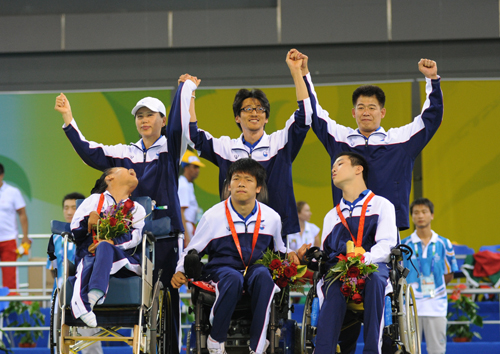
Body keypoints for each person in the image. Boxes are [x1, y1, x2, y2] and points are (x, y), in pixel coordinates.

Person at [54, 79, 196, 354]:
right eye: (139, 116)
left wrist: (185, 90)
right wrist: (68, 119)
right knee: (140, 300)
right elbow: (90, 152)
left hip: (166, 233)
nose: (144, 120)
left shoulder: (172, 146)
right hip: (128, 238)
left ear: (162, 120)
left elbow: (180, 123)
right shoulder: (124, 153)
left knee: (168, 299)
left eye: (150, 115)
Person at [171, 159, 299, 354]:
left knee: (264, 276)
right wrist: (180, 269)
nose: (241, 183)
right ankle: (216, 343)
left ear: (258, 187)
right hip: (222, 270)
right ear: (228, 185)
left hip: (256, 271)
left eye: (248, 179)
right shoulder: (212, 216)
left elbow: (279, 250)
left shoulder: (272, 218)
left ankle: (257, 349)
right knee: (233, 278)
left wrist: (292, 255)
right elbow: (192, 250)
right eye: (236, 179)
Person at [292, 49, 442, 231]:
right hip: (347, 225)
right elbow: (314, 112)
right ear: (353, 112)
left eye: (372, 107)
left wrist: (432, 79)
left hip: (387, 225)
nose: (366, 112)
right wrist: (303, 73)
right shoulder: (340, 139)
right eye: (361, 107)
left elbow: (431, 118)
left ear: (382, 112)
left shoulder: (401, 140)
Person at [177, 49, 312, 238]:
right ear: (237, 117)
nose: (254, 113)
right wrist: (188, 94)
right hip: (233, 231)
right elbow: (192, 136)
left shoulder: (280, 143)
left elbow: (305, 116)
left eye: (260, 109)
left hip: (275, 232)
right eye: (247, 109)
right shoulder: (226, 148)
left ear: (266, 117)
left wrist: (297, 72)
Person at [305, 152, 398, 354]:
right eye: (332, 166)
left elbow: (387, 244)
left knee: (376, 280)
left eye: (340, 163)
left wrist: (363, 258)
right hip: (341, 268)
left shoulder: (382, 205)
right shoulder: (332, 215)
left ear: (358, 169)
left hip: (372, 265)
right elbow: (326, 252)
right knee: (332, 284)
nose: (333, 169)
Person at [70, 167, 146, 328]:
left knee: (103, 247)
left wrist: (112, 243)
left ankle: (88, 301)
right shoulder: (93, 200)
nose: (132, 169)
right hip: (91, 256)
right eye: (124, 169)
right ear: (109, 178)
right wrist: (88, 219)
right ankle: (91, 299)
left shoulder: (137, 208)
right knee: (89, 260)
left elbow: (136, 237)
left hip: (123, 262)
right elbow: (75, 230)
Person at [47, 192, 106, 354]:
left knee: (90, 346)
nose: (69, 211)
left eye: (74, 207)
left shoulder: (92, 235)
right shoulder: (56, 238)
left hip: (84, 295)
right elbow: (53, 268)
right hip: (63, 298)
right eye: (66, 208)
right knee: (62, 347)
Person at [402, 198, 458, 354]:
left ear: (432, 215)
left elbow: (449, 274)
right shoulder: (404, 245)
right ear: (411, 217)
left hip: (436, 307)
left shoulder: (444, 244)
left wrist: (435, 290)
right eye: (416, 212)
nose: (420, 216)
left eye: (424, 212)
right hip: (411, 308)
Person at [0, 163, 31, 290]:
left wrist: (25, 236)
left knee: (10, 275)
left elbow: (22, 214)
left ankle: (10, 301)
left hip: (8, 239)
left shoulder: (13, 192)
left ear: (2, 175)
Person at [178, 149, 205, 247]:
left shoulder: (187, 184)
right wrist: (186, 236)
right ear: (186, 167)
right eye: (195, 167)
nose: (198, 170)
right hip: (186, 227)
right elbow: (181, 211)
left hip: (189, 226)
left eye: (198, 167)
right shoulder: (183, 185)